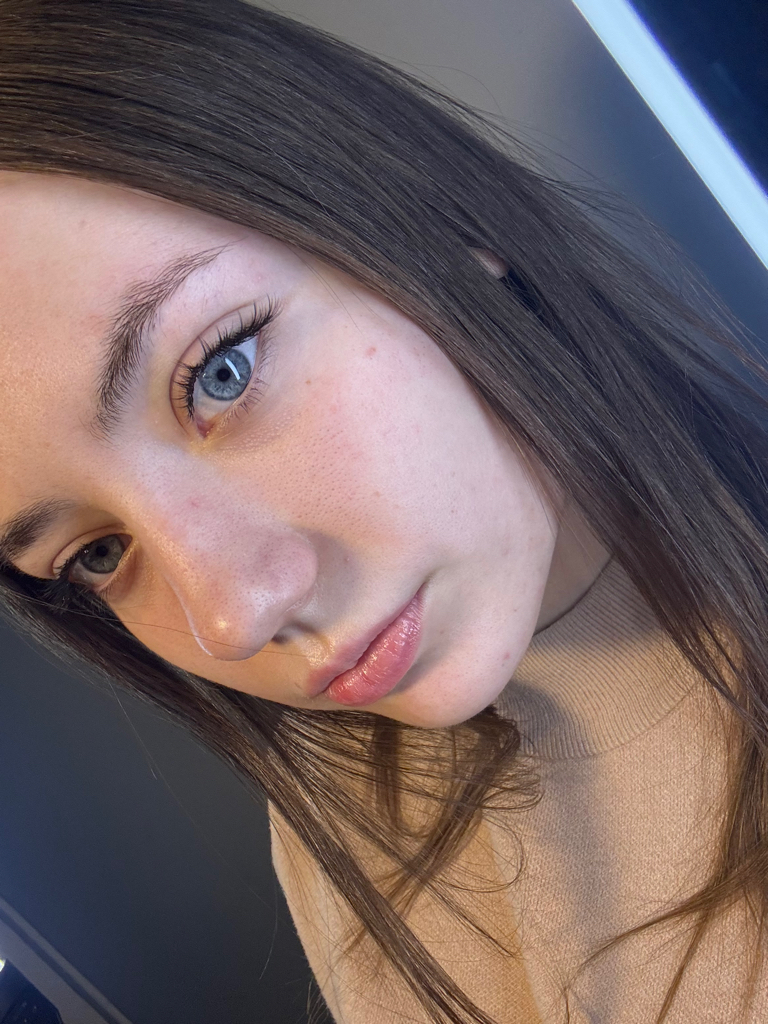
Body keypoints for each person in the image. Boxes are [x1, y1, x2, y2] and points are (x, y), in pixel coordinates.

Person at [0, 0, 766, 1020]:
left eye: (223, 371)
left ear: (426, 220)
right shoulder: (344, 802)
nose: (234, 616)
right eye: (96, 553)